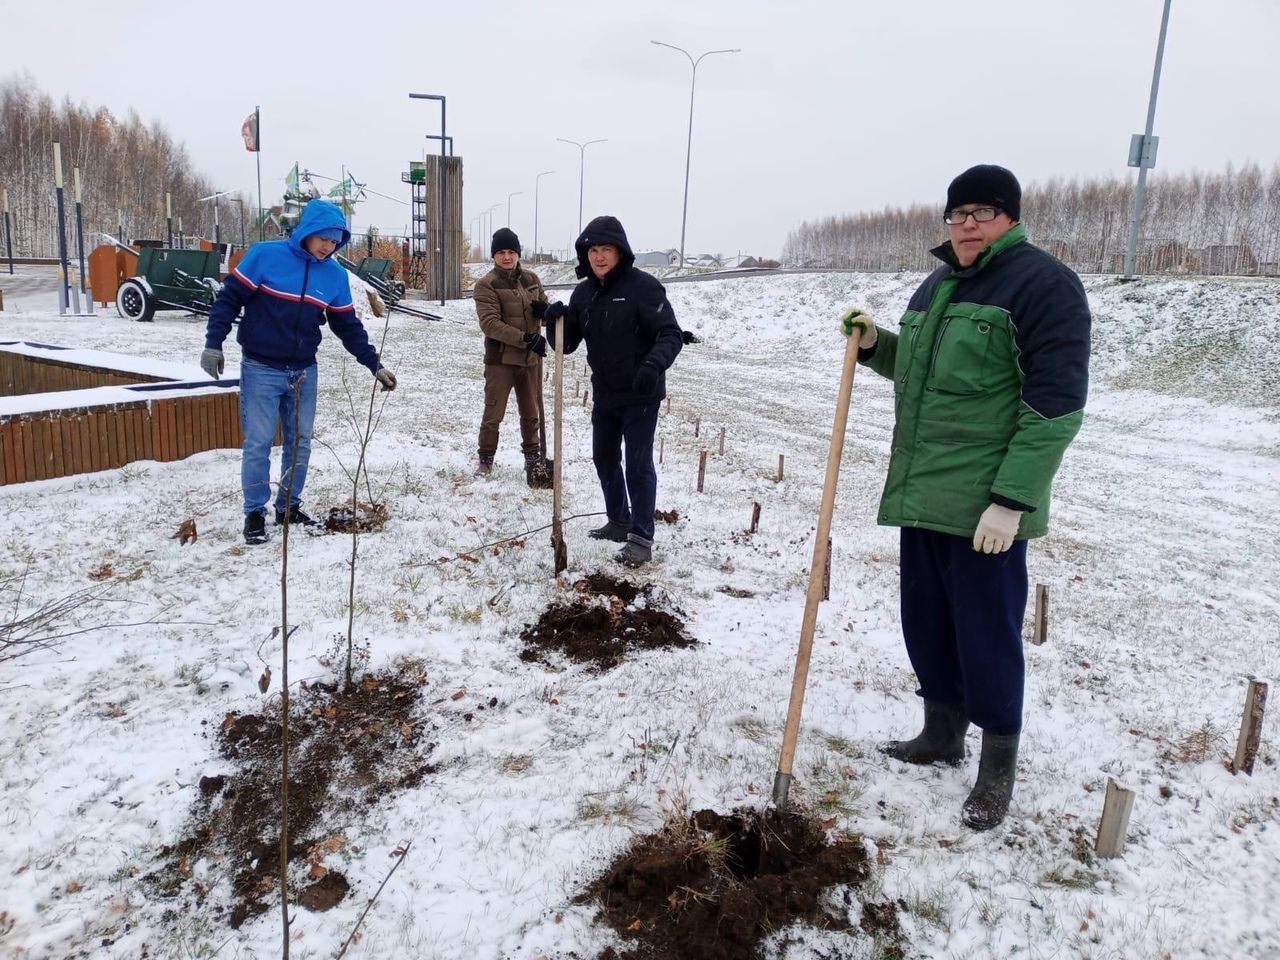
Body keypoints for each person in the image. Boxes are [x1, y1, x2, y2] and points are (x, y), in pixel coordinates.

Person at [840, 164, 1090, 830]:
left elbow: (1056, 404)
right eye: (958, 213)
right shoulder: (937, 284)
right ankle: (941, 732)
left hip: (984, 507)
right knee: (926, 622)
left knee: (987, 635)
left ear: (1010, 216)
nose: (968, 224)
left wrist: (1012, 499)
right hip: (924, 492)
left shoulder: (1044, 286)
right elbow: (924, 375)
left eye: (982, 212)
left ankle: (997, 767)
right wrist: (874, 346)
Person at [200, 199, 397, 545]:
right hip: (261, 367)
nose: (328, 246)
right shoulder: (265, 256)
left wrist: (374, 364)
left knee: (299, 443)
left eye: (335, 241)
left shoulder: (334, 276)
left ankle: (288, 505)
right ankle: (255, 513)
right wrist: (214, 343)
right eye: (323, 238)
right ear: (307, 231)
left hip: (303, 371)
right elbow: (229, 300)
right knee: (259, 442)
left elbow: (347, 327)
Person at [544, 215, 683, 566]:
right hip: (605, 394)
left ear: (620, 252)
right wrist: (554, 322)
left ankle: (640, 538)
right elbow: (567, 345)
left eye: (606, 249)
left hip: (641, 393)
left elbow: (670, 334)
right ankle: (619, 520)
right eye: (593, 250)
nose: (600, 256)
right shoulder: (584, 294)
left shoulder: (643, 288)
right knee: (604, 458)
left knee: (638, 464)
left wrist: (653, 366)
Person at [472, 227, 551, 485]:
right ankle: (486, 458)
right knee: (493, 413)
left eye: (511, 252)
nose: (507, 257)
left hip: (530, 361)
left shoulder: (531, 279)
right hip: (501, 361)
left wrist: (546, 310)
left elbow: (544, 308)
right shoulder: (486, 285)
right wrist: (526, 339)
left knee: (531, 412)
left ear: (518, 253)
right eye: (501, 252)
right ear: (494, 255)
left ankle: (533, 457)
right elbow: (490, 324)